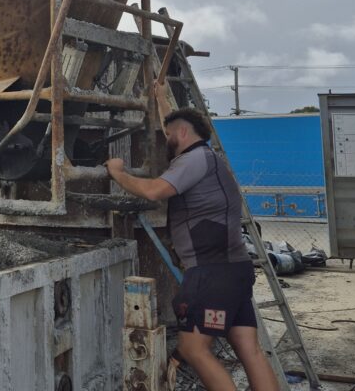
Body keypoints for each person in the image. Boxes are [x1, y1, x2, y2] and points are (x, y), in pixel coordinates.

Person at [105, 107, 279, 391]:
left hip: (211, 273)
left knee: (193, 348)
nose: (166, 140)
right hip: (236, 270)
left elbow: (154, 191)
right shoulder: (212, 159)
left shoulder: (193, 159)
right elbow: (173, 128)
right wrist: (160, 97)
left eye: (169, 135)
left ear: (183, 133)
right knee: (250, 350)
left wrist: (118, 172)